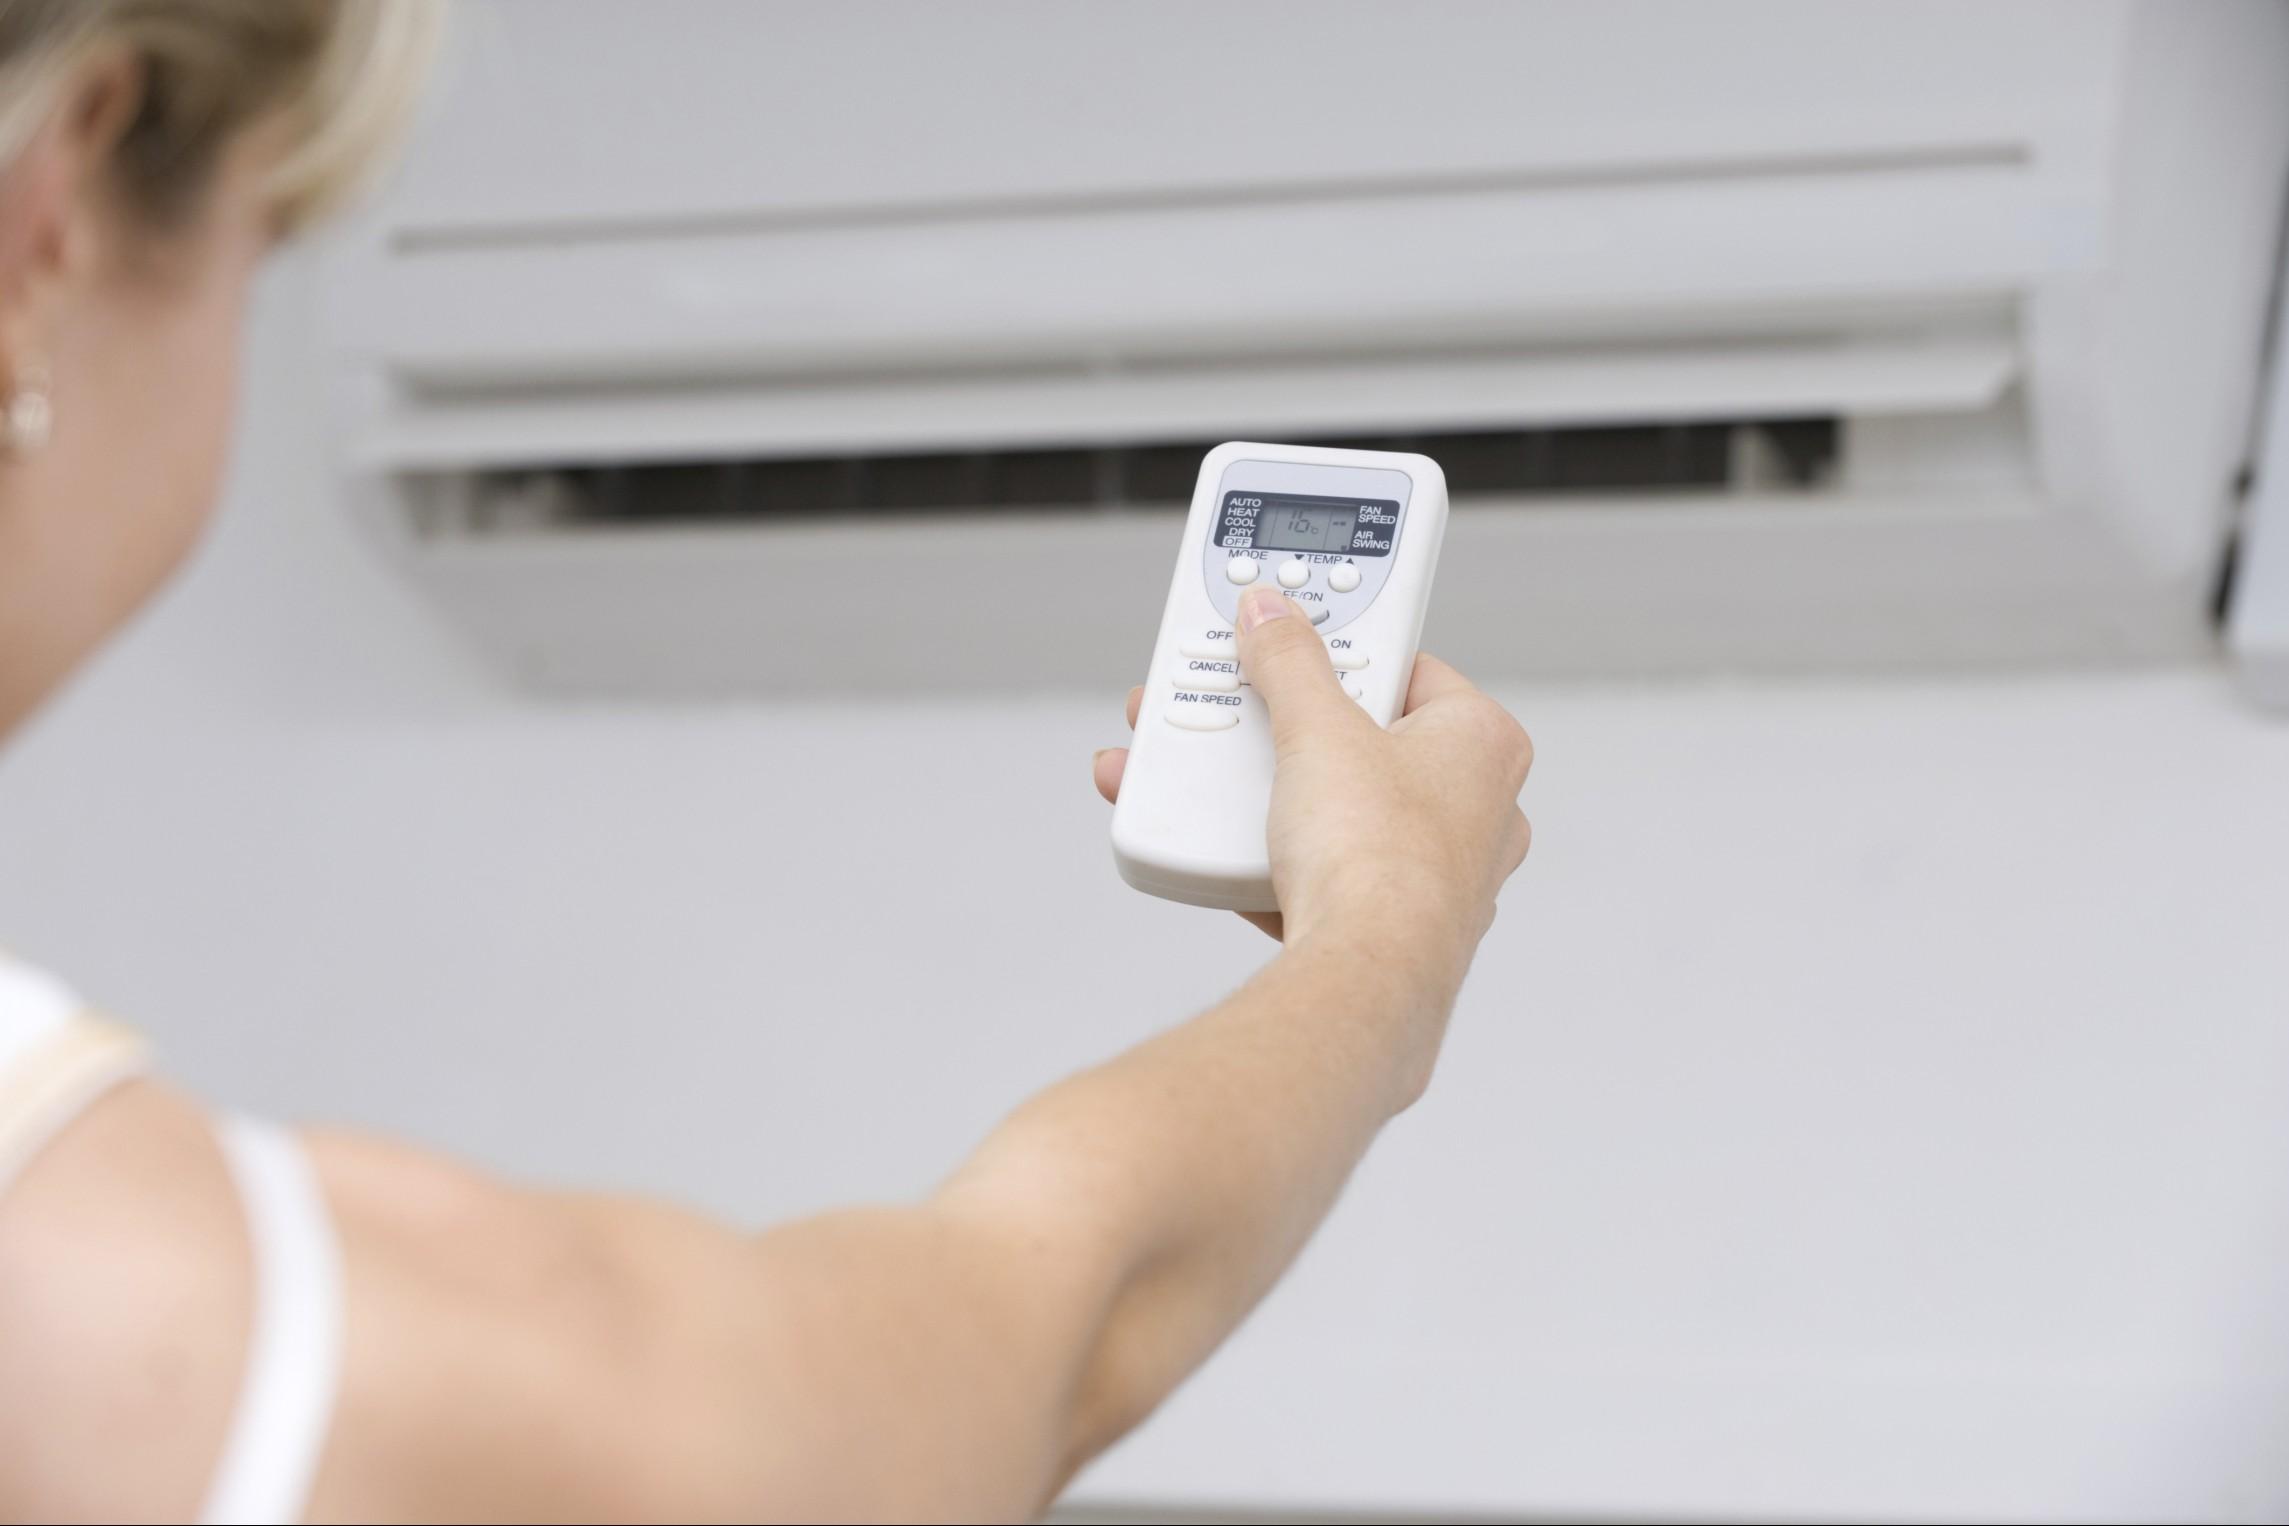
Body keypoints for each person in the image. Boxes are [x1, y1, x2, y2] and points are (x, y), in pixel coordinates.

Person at [0, 1, 1534, 1519]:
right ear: (53, 218)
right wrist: (1388, 936)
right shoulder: (110, 1284)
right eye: (262, 254)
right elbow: (1023, 1346)